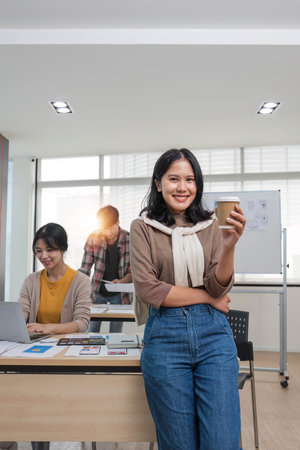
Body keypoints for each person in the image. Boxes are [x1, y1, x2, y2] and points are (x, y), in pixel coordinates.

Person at [130, 148, 246, 450]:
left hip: (214, 338)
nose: (183, 187)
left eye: (190, 179)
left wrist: (229, 246)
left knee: (221, 442)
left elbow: (219, 288)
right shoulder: (142, 228)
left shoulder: (210, 226)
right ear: (158, 183)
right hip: (164, 337)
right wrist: (207, 299)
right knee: (179, 444)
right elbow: (149, 290)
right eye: (173, 179)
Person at [18, 223, 91, 450]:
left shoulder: (79, 281)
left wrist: (47, 328)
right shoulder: (32, 280)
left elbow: (82, 323)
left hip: (66, 355)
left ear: (63, 249)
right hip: (36, 354)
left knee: (51, 405)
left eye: (50, 250)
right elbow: (20, 314)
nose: (44, 256)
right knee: (31, 404)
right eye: (39, 251)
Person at [79, 205, 132, 333]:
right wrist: (77, 285)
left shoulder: (130, 238)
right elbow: (85, 267)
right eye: (103, 229)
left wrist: (122, 282)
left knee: (115, 331)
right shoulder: (93, 237)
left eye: (110, 228)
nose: (107, 233)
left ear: (118, 222)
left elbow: (133, 270)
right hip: (97, 291)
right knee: (92, 329)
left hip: (120, 294)